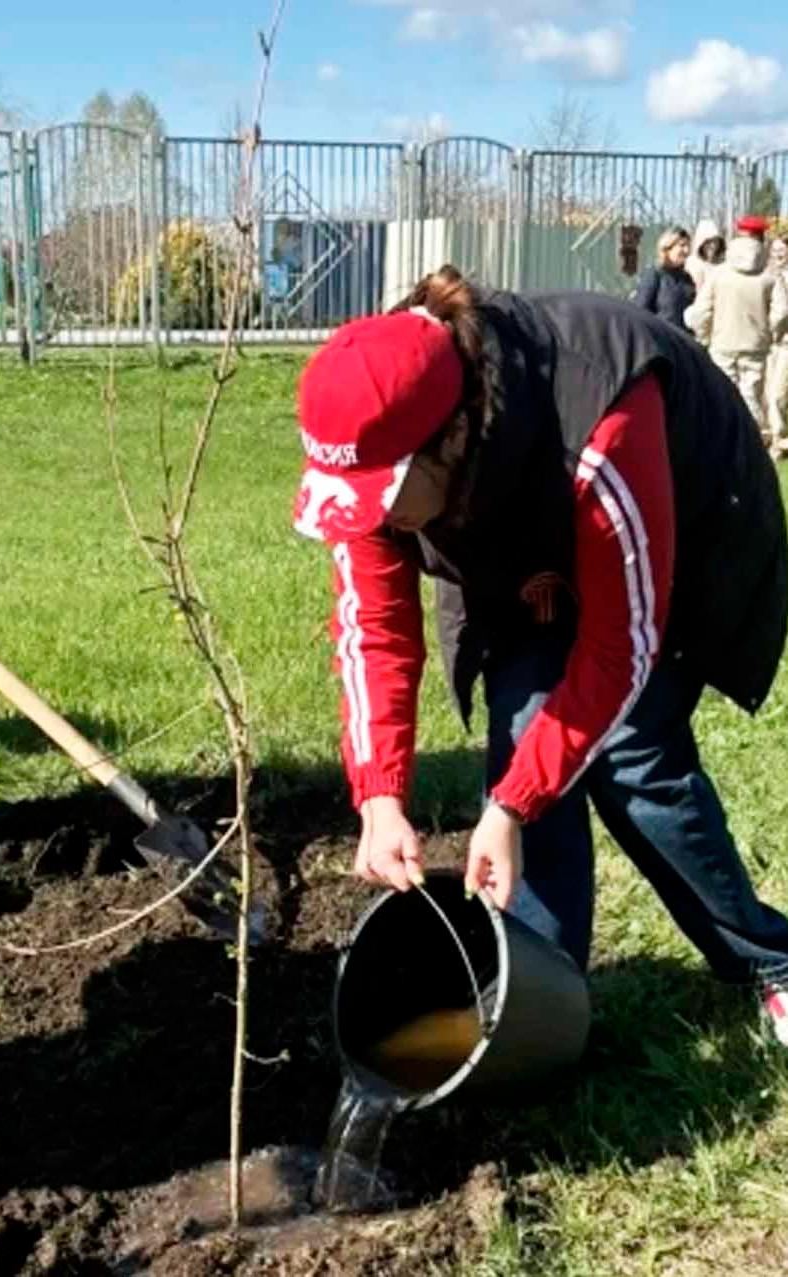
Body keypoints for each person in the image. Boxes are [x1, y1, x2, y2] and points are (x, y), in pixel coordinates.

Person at [292, 271, 788, 1045]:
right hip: (521, 556)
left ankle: (767, 958)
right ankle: (537, 996)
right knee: (526, 725)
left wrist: (512, 802)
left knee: (635, 754)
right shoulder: (384, 438)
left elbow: (619, 651)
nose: (370, 521)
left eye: (382, 500)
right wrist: (380, 795)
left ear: (452, 438)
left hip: (686, 531)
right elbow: (374, 632)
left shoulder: (601, 410)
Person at [686, 214, 776, 435]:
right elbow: (782, 312)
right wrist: (768, 332)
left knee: (722, 392)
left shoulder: (719, 273)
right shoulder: (769, 277)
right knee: (751, 395)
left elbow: (702, 311)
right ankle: (752, 439)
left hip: (723, 342)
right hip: (755, 345)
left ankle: (723, 438)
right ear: (761, 238)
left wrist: (704, 336)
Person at [632, 226, 694, 328]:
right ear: (668, 248)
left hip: (681, 339)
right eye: (682, 245)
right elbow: (640, 310)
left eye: (688, 246)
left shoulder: (686, 278)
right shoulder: (654, 274)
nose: (686, 250)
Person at [764, 235, 788, 456]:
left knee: (777, 394)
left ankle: (779, 440)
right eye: (774, 251)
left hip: (784, 343)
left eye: (782, 251)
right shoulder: (764, 276)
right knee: (763, 392)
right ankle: (768, 435)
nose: (778, 255)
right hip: (765, 343)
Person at [684, 217, 725, 292]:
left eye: (715, 241)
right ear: (701, 243)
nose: (712, 246)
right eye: (708, 242)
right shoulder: (693, 264)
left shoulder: (722, 264)